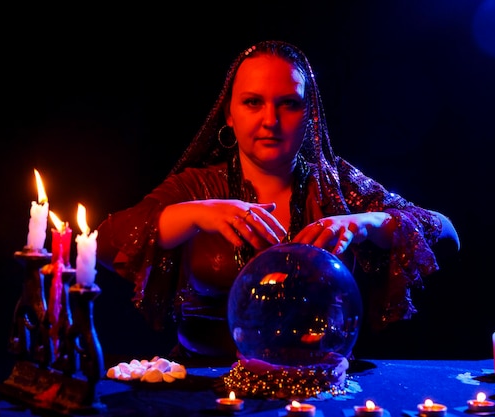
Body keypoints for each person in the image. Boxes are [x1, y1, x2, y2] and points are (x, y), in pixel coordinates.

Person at [96, 40, 460, 364]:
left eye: (288, 104)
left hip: (321, 389)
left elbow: (447, 236)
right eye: (253, 102)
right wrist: (193, 214)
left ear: (309, 116)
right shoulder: (198, 187)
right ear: (229, 114)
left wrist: (368, 223)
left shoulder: (336, 186)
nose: (270, 120)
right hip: (204, 387)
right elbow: (102, 243)